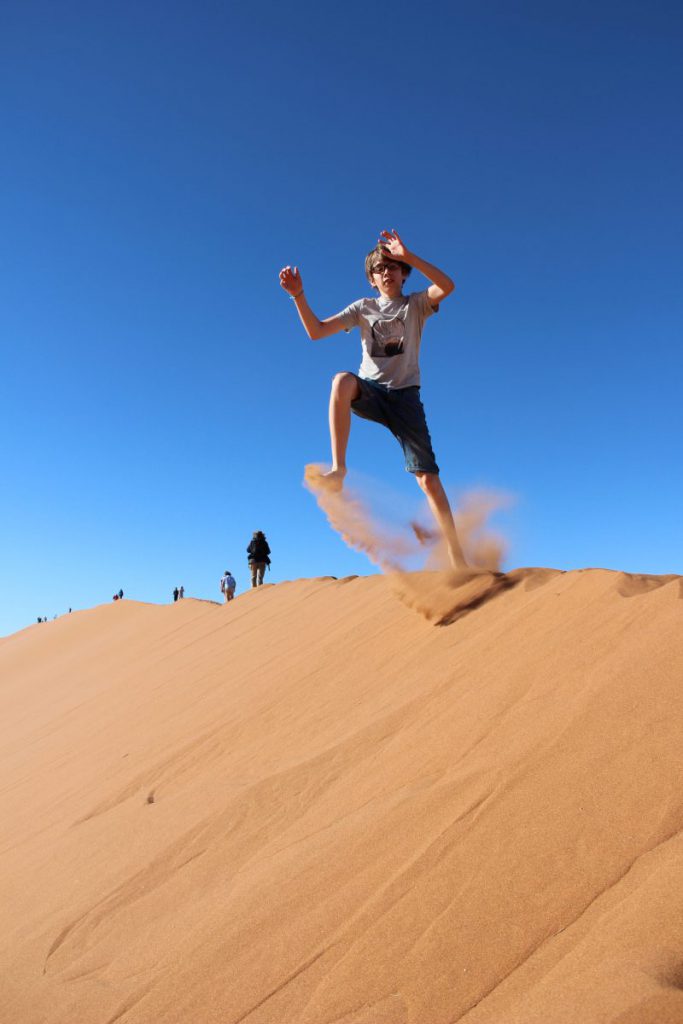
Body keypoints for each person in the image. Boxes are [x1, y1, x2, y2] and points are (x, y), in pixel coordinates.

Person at [279, 229, 467, 569]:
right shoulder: (363, 308)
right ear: (371, 279)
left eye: (393, 266)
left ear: (403, 273)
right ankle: (339, 469)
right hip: (371, 391)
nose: (387, 272)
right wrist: (298, 296)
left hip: (406, 398)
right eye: (380, 268)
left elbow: (448, 286)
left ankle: (458, 559)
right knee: (340, 381)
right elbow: (316, 331)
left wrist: (408, 255)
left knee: (427, 479)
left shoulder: (417, 305)